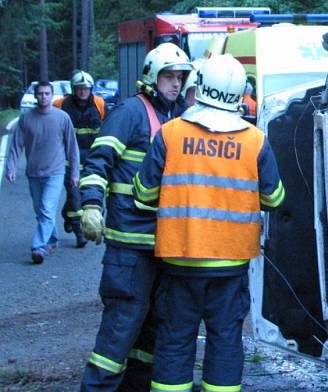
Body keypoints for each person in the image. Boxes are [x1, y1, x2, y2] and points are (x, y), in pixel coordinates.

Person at [133, 54, 284, 392]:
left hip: (179, 260)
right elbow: (275, 199)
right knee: (225, 340)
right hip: (230, 264)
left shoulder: (170, 134)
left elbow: (142, 194)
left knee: (174, 338)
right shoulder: (255, 140)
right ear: (238, 94)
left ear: (198, 87)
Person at [78, 43, 193, 392]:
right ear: (151, 78)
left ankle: (136, 387)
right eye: (168, 77)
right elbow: (98, 162)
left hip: (164, 242)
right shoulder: (129, 112)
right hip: (129, 243)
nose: (175, 84)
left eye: (179, 78)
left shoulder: (177, 118)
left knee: (153, 327)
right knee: (121, 325)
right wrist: (91, 204)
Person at [5, 80, 80, 264]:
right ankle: (52, 240)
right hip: (33, 173)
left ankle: (38, 247)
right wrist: (11, 166)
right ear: (36, 96)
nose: (43, 97)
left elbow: (72, 147)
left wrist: (74, 173)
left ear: (52, 95)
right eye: (40, 94)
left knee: (47, 209)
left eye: (47, 94)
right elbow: (16, 145)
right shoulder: (26, 119)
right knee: (41, 212)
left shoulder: (62, 118)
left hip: (55, 172)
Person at [55, 70, 106, 248]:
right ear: (73, 89)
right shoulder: (60, 104)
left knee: (86, 195)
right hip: (69, 160)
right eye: (79, 88)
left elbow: (107, 129)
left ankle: (67, 214)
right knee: (75, 196)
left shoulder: (99, 104)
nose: (83, 91)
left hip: (93, 159)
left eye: (86, 88)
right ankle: (79, 233)